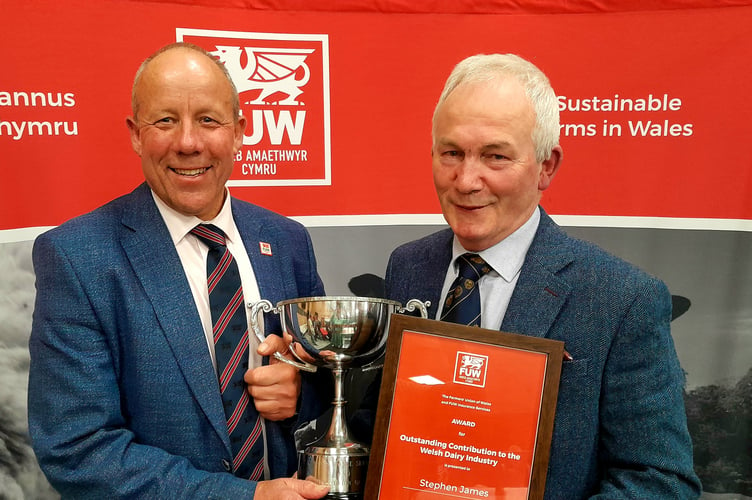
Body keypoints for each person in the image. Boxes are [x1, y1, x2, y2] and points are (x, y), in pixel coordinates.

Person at [381, 54, 702, 498]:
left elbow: (661, 480)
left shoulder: (623, 298)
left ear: (546, 166)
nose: (467, 180)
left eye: (495, 156)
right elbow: (381, 423)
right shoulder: (408, 266)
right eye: (451, 153)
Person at [27, 42, 331, 499]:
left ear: (239, 132)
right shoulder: (76, 256)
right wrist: (244, 497)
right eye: (165, 120)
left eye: (208, 120)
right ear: (135, 134)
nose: (188, 142)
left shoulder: (287, 241)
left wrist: (300, 393)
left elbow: (331, 374)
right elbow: (78, 447)